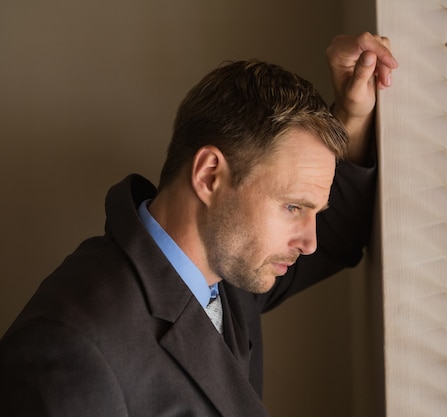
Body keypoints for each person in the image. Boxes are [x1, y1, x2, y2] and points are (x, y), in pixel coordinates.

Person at [0, 32, 397, 416]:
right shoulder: (71, 350)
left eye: (314, 212)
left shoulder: (220, 265)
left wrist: (353, 111)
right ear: (209, 176)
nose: (310, 241)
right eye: (293, 207)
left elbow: (336, 235)